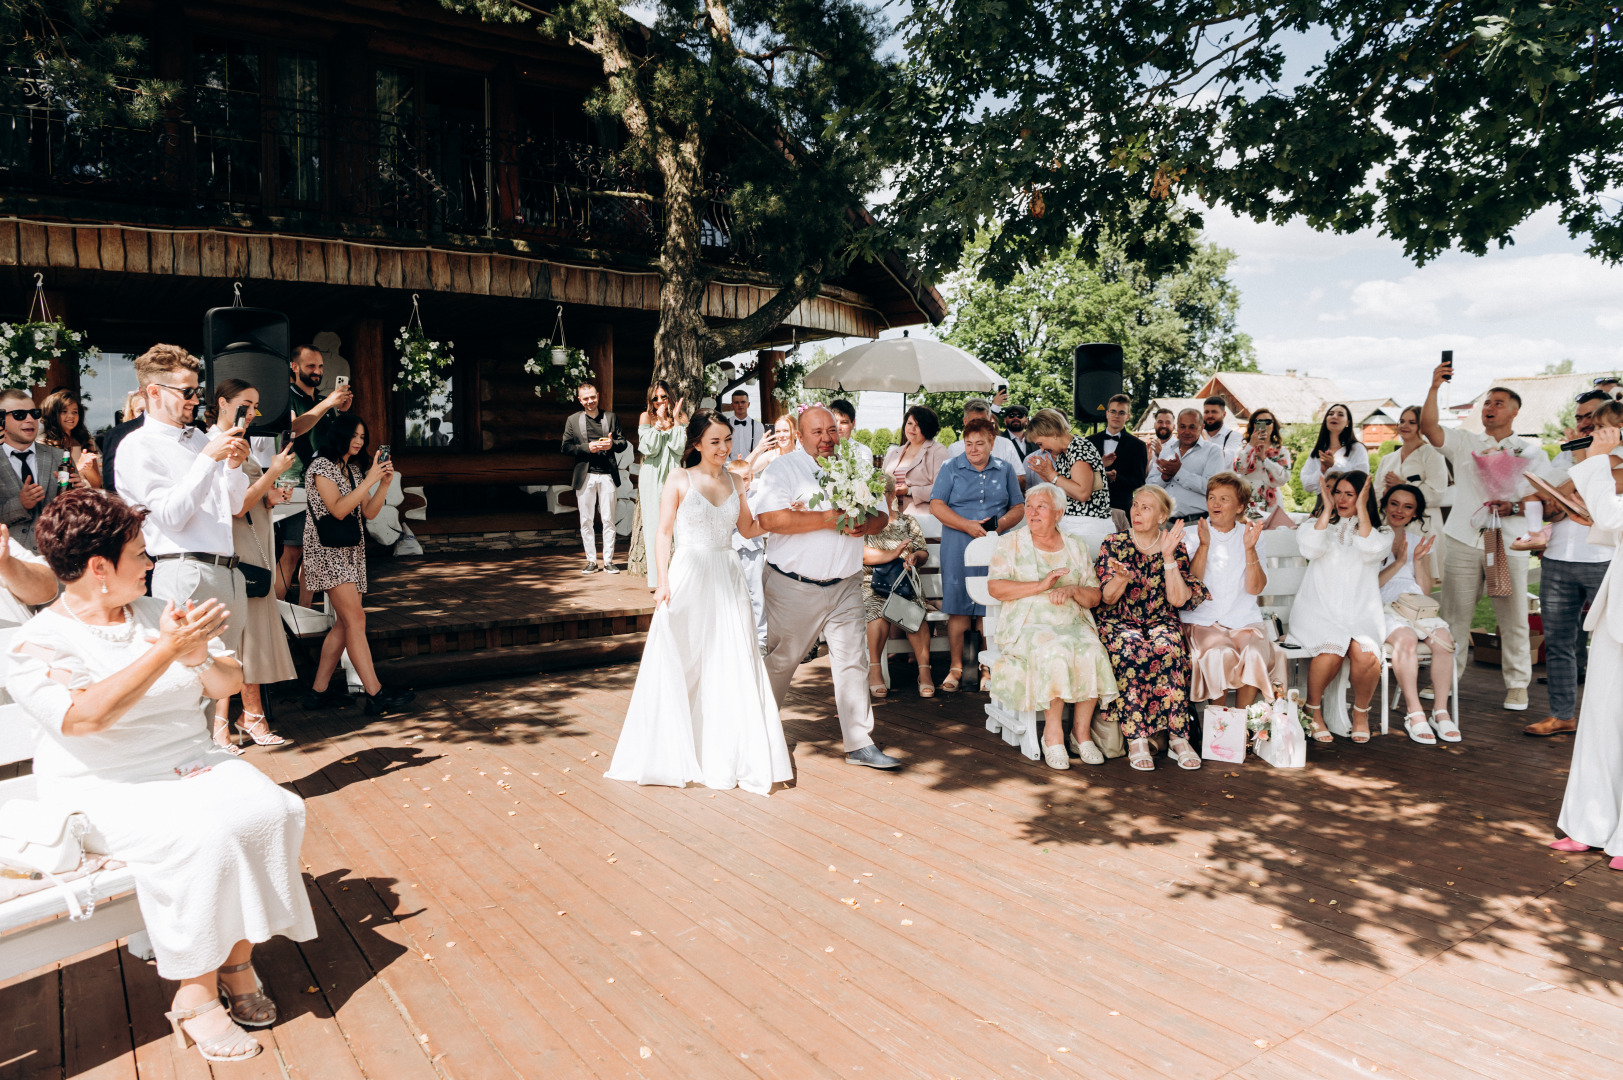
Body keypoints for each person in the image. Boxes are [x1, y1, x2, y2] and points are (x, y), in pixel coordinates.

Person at [7, 489, 316, 1064]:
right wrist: (165, 652)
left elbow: (226, 684)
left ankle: (237, 959)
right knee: (204, 837)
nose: (151, 562)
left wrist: (197, 653)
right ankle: (195, 997)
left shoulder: (157, 612)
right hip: (104, 785)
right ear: (100, 568)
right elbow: (83, 718)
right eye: (140, 553)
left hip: (191, 763)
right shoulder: (38, 641)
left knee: (272, 809)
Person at [607, 411, 792, 794]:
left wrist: (783, 519)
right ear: (695, 444)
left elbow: (747, 529)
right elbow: (662, 533)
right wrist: (661, 582)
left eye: (727, 440)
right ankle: (673, 748)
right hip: (688, 572)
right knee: (682, 656)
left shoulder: (737, 479)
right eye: (715, 441)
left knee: (729, 658)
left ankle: (726, 753)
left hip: (727, 573)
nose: (724, 448)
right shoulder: (679, 478)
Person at [753, 405, 901, 769]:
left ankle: (859, 743)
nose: (826, 438)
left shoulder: (857, 465)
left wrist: (865, 525)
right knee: (782, 661)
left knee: (853, 661)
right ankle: (756, 733)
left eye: (831, 430)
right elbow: (770, 518)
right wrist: (825, 518)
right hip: (794, 586)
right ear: (800, 437)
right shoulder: (783, 469)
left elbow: (881, 514)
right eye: (816, 432)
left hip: (846, 584)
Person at [1420, 365, 1549, 711]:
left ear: (1515, 411)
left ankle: (1518, 684)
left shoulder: (1532, 451)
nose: (1490, 407)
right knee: (1453, 615)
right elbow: (1429, 428)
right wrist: (1434, 388)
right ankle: (1446, 679)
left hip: (1509, 542)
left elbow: (1546, 497)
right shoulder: (1466, 442)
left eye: (1499, 402)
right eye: (1487, 402)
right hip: (1464, 538)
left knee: (1513, 616)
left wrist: (1515, 506)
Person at [115, 346, 250, 662]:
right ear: (154, 392)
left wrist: (232, 467)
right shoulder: (137, 446)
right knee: (188, 678)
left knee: (224, 675)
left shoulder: (200, 439)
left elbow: (232, 507)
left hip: (227, 571)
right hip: (185, 571)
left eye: (197, 390)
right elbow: (170, 516)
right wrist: (207, 460)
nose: (195, 399)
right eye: (187, 391)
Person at [986, 483, 1118, 770]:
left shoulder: (1075, 545)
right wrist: (1041, 585)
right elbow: (996, 588)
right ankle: (1053, 734)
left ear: (1058, 513)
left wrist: (1072, 591)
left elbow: (1094, 596)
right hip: (1028, 624)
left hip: (1072, 621)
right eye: (1029, 506)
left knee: (1092, 650)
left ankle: (1080, 735)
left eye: (1041, 507)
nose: (1032, 513)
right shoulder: (1011, 543)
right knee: (1055, 652)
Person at [205, 381, 297, 753]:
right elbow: (235, 506)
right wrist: (273, 472)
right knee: (231, 639)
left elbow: (250, 499)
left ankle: (251, 714)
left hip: (254, 544)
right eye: (246, 404)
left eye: (256, 406)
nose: (253, 412)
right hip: (231, 550)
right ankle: (223, 725)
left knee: (252, 636)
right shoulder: (213, 442)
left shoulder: (243, 441)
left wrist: (271, 495)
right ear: (223, 404)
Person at [301, 413, 414, 715]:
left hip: (351, 551)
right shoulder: (321, 467)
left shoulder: (351, 469)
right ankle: (376, 695)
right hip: (328, 552)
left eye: (363, 437)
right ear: (339, 434)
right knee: (356, 620)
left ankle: (317, 693)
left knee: (345, 622)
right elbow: (338, 510)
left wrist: (384, 484)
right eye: (354, 435)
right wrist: (370, 480)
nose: (359, 441)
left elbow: (371, 513)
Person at [1094, 486, 1209, 771]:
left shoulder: (1174, 546)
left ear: (1162, 516)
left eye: (1146, 507)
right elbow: (1107, 599)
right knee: (1132, 652)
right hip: (1119, 620)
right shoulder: (1114, 543)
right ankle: (1137, 739)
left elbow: (1178, 599)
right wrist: (1121, 578)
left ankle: (1178, 738)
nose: (1136, 512)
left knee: (1168, 648)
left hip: (1160, 619)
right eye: (1135, 506)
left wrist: (1169, 557)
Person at [1523, 391, 1617, 737]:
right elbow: (1545, 506)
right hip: (1558, 560)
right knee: (1559, 642)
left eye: (1591, 417)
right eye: (1579, 418)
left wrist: (1571, 491)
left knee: (1612, 641)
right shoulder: (1562, 460)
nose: (1584, 424)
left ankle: (1609, 720)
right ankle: (1562, 714)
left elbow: (1600, 508)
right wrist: (1563, 501)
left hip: (1604, 562)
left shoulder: (1617, 458)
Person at [1551, 423, 1623, 863]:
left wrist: (1596, 458)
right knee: (1600, 715)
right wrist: (1595, 516)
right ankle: (1588, 822)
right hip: (1617, 613)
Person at [1287, 472, 1389, 743]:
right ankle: (1314, 709)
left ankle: (1360, 713)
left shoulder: (1380, 533)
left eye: (1350, 494)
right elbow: (1310, 549)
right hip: (1317, 610)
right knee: (1332, 647)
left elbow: (1371, 550)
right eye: (1338, 492)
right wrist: (1327, 510)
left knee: (1367, 653)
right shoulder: (1315, 526)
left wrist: (1363, 510)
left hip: (1359, 614)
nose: (1342, 499)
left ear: (1363, 498)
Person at [929, 417, 1026, 692]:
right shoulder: (951, 467)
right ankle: (956, 668)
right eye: (968, 443)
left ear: (992, 443)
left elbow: (1018, 507)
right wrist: (966, 525)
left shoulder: (1005, 469)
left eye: (979, 443)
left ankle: (988, 668)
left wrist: (998, 526)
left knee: (990, 606)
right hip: (958, 541)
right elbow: (936, 505)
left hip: (995, 543)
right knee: (957, 605)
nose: (973, 449)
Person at [1182, 473, 1282, 709]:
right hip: (1204, 620)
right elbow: (1193, 584)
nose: (1215, 504)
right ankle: (1219, 722)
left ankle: (1240, 722)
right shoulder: (1193, 533)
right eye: (1212, 497)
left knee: (1254, 654)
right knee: (1219, 653)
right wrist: (1204, 545)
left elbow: (1254, 587)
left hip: (1243, 620)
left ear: (1240, 506)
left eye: (1224, 499)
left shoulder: (1252, 536)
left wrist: (1249, 549)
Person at [1377, 484, 1455, 744]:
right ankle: (1414, 711)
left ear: (1415, 513)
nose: (1399, 511)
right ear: (1385, 505)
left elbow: (1423, 590)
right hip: (1383, 604)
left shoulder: (1416, 542)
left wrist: (1418, 560)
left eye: (1408, 507)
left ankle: (1441, 711)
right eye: (1394, 503)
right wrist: (1398, 561)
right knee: (1407, 639)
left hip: (1415, 605)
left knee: (1445, 640)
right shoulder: (1372, 537)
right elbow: (1368, 586)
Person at [279, 344, 352, 606]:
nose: (317, 371)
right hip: (294, 481)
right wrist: (328, 403)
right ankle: (276, 618)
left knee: (313, 554)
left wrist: (340, 412)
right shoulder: (286, 396)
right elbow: (293, 429)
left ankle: (303, 611)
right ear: (295, 367)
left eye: (320, 366)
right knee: (292, 551)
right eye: (311, 366)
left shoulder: (324, 401)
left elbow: (335, 442)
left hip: (323, 484)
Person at [862, 476, 934, 699]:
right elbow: (860, 554)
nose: (878, 496)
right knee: (876, 612)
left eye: (883, 491)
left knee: (914, 612)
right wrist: (892, 554)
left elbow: (923, 550)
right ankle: (875, 670)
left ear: (893, 495)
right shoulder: (862, 522)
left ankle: (924, 673)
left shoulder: (907, 522)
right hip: (872, 583)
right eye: (873, 492)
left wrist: (914, 557)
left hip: (903, 583)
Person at [561, 381, 627, 575]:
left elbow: (623, 443)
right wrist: (586, 448)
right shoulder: (573, 420)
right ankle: (591, 560)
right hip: (585, 476)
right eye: (586, 398)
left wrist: (611, 444)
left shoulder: (610, 417)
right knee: (586, 520)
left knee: (608, 519)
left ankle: (608, 561)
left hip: (607, 475)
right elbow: (565, 447)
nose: (590, 401)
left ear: (598, 396)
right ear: (580, 400)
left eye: (593, 397)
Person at [635, 381, 688, 588]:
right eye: (655, 398)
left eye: (663, 397)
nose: (659, 401)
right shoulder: (646, 417)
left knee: (679, 525)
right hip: (652, 474)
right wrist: (657, 428)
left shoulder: (681, 417)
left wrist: (674, 421)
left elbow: (678, 447)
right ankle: (658, 579)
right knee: (654, 525)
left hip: (674, 472)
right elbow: (650, 449)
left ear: (670, 397)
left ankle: (683, 575)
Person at [0, 388, 65, 552]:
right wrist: (20, 503)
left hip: (56, 559)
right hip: (8, 562)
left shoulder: (59, 457)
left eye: (34, 413)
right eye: (19, 415)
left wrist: (77, 495)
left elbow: (76, 515)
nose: (30, 419)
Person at [1022, 407, 1113, 523]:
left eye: (1041, 443)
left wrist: (1051, 474)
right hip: (1074, 522)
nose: (1042, 449)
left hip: (1088, 524)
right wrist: (1045, 474)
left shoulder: (1079, 448)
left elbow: (1082, 493)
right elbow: (1065, 489)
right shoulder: (1064, 452)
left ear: (1052, 433)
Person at [1372, 405, 1448, 538]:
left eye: (1412, 422)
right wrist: (1387, 492)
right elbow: (1376, 494)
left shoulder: (1432, 454)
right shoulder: (1388, 459)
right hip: (1390, 525)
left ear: (1422, 426)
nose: (1404, 426)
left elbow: (1437, 493)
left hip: (1423, 526)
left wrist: (1403, 485)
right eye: (1402, 421)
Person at [1151, 408, 1223, 520]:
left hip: (1195, 523)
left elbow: (1213, 488)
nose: (1186, 431)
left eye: (1192, 427)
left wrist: (1178, 473)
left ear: (1202, 427)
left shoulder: (1213, 452)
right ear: (1177, 427)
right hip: (1163, 522)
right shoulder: (1166, 450)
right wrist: (1164, 478)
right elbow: (1149, 485)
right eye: (1182, 426)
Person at [728, 459, 769, 649]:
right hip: (732, 552)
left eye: (745, 479)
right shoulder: (725, 499)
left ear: (751, 478)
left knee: (756, 594)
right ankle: (736, 635)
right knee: (733, 594)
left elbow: (756, 522)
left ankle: (761, 638)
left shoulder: (757, 499)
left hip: (753, 552)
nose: (742, 483)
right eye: (737, 479)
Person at [881, 405, 950, 515]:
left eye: (918, 425)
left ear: (927, 427)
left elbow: (943, 489)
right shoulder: (894, 453)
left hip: (921, 518)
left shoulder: (938, 451)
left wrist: (909, 491)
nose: (912, 429)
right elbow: (881, 481)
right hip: (890, 517)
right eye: (909, 423)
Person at [1087, 394, 1149, 516]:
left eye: (1121, 413)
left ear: (1128, 417)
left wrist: (1116, 478)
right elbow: (1080, 474)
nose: (1116, 415)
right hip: (1091, 507)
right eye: (1113, 411)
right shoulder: (1089, 441)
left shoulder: (1138, 445)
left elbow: (1139, 482)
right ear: (1107, 413)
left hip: (1121, 509)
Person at [1231, 408, 1293, 526]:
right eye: (1258, 421)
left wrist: (1265, 459)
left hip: (1272, 500)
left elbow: (1283, 478)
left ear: (1274, 426)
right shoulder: (1243, 449)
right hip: (1248, 498)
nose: (1264, 425)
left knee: (1272, 537)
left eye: (1268, 422)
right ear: (1253, 425)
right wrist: (1251, 446)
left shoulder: (1281, 451)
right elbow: (1238, 468)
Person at [947, 398, 1027, 486]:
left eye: (983, 421)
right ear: (965, 422)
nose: (978, 426)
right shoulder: (954, 449)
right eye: (973, 421)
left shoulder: (1005, 444)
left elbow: (1021, 480)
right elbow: (947, 484)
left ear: (990, 419)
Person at [1300, 403, 1369, 494]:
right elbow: (1307, 485)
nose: (1334, 416)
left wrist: (1333, 466)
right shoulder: (1317, 451)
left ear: (1348, 422)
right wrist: (1322, 470)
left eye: (1340, 415)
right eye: (1330, 414)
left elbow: (1361, 481)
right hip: (1322, 502)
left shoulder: (1356, 448)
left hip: (1348, 503)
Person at [40, 388, 101, 489]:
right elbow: (48, 484)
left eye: (75, 412)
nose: (71, 416)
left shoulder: (85, 440)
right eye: (64, 411)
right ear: (53, 414)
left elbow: (97, 484)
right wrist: (78, 467)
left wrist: (88, 469)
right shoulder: (43, 443)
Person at [99, 390, 145, 495]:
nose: (145, 415)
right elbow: (111, 482)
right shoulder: (119, 436)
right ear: (132, 413)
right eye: (141, 411)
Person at [725, 389, 765, 461]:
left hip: (751, 467)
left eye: (743, 402)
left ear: (748, 404)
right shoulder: (725, 425)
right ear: (732, 405)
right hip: (728, 468)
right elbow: (722, 448)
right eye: (736, 402)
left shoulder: (757, 426)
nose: (740, 405)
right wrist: (730, 466)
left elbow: (759, 451)